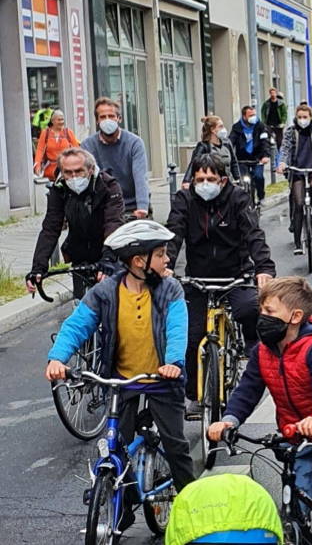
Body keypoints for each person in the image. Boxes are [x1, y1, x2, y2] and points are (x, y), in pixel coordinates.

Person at [207, 276, 312, 545]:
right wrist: (229, 422)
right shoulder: (263, 352)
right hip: (296, 432)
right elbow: (247, 390)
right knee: (299, 493)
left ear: (295, 316)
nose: (261, 316)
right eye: (262, 310)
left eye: (269, 311)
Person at [45, 219, 196, 522]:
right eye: (161, 254)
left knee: (175, 445)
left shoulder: (170, 289)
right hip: (121, 380)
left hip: (161, 380)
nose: (168, 259)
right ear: (139, 261)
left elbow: (178, 328)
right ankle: (122, 509)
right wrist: (58, 358)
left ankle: (193, 507)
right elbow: (77, 325)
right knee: (118, 446)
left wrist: (173, 363)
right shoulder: (106, 292)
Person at [166, 153, 276, 419]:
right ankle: (193, 394)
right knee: (191, 339)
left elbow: (253, 234)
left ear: (223, 180)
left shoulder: (237, 198)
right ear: (192, 180)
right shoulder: (184, 200)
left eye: (211, 179)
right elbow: (174, 233)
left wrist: (263, 268)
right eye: (200, 179)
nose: (205, 183)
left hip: (235, 275)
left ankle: (249, 344)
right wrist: (166, 264)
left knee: (249, 309)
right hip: (198, 280)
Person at [27, 147, 124, 299]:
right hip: (79, 251)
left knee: (114, 303)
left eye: (79, 171)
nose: (73, 177)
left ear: (90, 170)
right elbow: (51, 228)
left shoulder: (108, 185)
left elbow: (113, 222)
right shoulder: (59, 189)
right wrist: (38, 267)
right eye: (68, 172)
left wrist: (108, 257)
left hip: (107, 248)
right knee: (81, 307)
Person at [277, 103, 312, 253]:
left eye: (305, 117)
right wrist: (282, 163)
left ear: (311, 117)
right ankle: (297, 244)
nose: (302, 120)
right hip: (297, 171)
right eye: (299, 117)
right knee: (299, 203)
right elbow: (285, 149)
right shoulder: (290, 131)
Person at [81, 97, 150, 219]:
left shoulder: (134, 143)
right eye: (102, 117)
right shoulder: (88, 145)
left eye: (111, 116)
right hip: (103, 207)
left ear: (119, 118)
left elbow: (140, 177)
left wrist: (142, 207)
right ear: (97, 120)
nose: (107, 120)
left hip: (132, 206)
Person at [182, 115, 240, 188]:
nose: (224, 129)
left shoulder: (227, 143)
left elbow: (233, 162)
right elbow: (193, 164)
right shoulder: (203, 146)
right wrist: (186, 181)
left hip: (227, 184)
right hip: (212, 184)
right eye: (220, 126)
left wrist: (238, 179)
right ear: (212, 129)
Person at [229, 105, 271, 205]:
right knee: (243, 180)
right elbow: (230, 142)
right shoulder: (237, 128)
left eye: (254, 115)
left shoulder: (260, 126)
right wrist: (229, 155)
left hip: (257, 158)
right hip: (242, 159)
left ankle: (261, 196)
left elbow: (265, 141)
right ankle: (246, 201)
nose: (253, 117)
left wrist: (265, 155)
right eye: (250, 115)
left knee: (258, 177)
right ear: (244, 117)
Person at [33, 109, 79, 180]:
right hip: (50, 172)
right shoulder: (45, 133)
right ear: (52, 121)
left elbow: (77, 151)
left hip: (66, 170)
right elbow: (40, 150)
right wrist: (37, 165)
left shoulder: (68, 132)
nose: (61, 122)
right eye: (59, 120)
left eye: (62, 120)